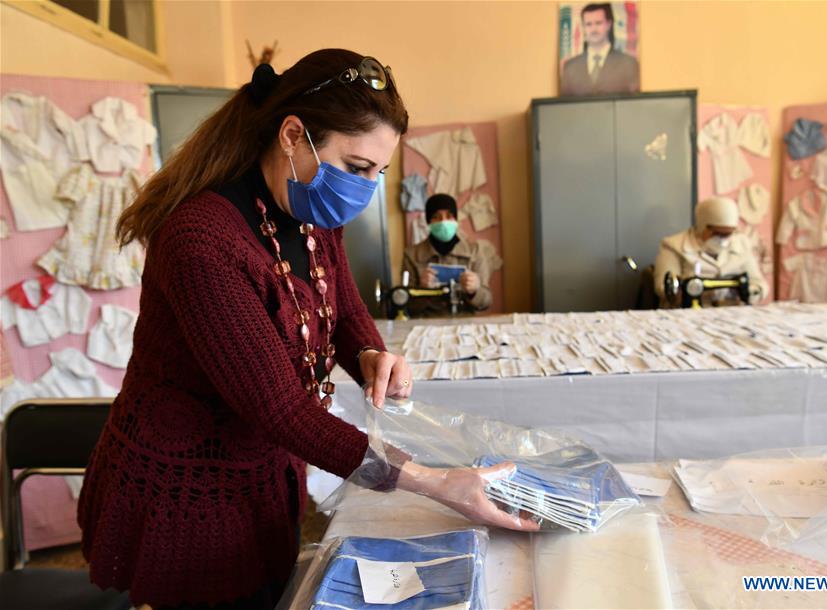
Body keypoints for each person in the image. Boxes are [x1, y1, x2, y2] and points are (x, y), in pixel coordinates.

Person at [78, 49, 536, 610]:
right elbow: (280, 409)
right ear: (293, 135)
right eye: (358, 167)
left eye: (379, 172)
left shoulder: (309, 207)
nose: (367, 188)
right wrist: (437, 483)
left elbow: (342, 308)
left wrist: (368, 351)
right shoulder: (200, 241)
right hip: (189, 491)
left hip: (268, 473)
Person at [654, 196, 769, 306]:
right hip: (690, 312)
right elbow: (664, 288)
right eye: (717, 233)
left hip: (732, 312)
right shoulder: (674, 246)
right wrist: (694, 290)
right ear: (702, 226)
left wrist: (750, 292)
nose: (722, 240)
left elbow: (759, 284)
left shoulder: (742, 244)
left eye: (728, 234)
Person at [402, 193, 493, 316]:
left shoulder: (474, 251)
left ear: (455, 220)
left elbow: (486, 302)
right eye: (437, 217)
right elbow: (405, 305)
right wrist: (421, 289)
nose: (443, 222)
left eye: (449, 216)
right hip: (428, 326)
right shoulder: (412, 255)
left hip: (465, 325)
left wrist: (475, 290)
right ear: (429, 222)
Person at [560, 3, 640, 96]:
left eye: (598, 23)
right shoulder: (570, 67)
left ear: (608, 24)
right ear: (583, 27)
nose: (594, 29)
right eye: (588, 24)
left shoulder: (628, 63)